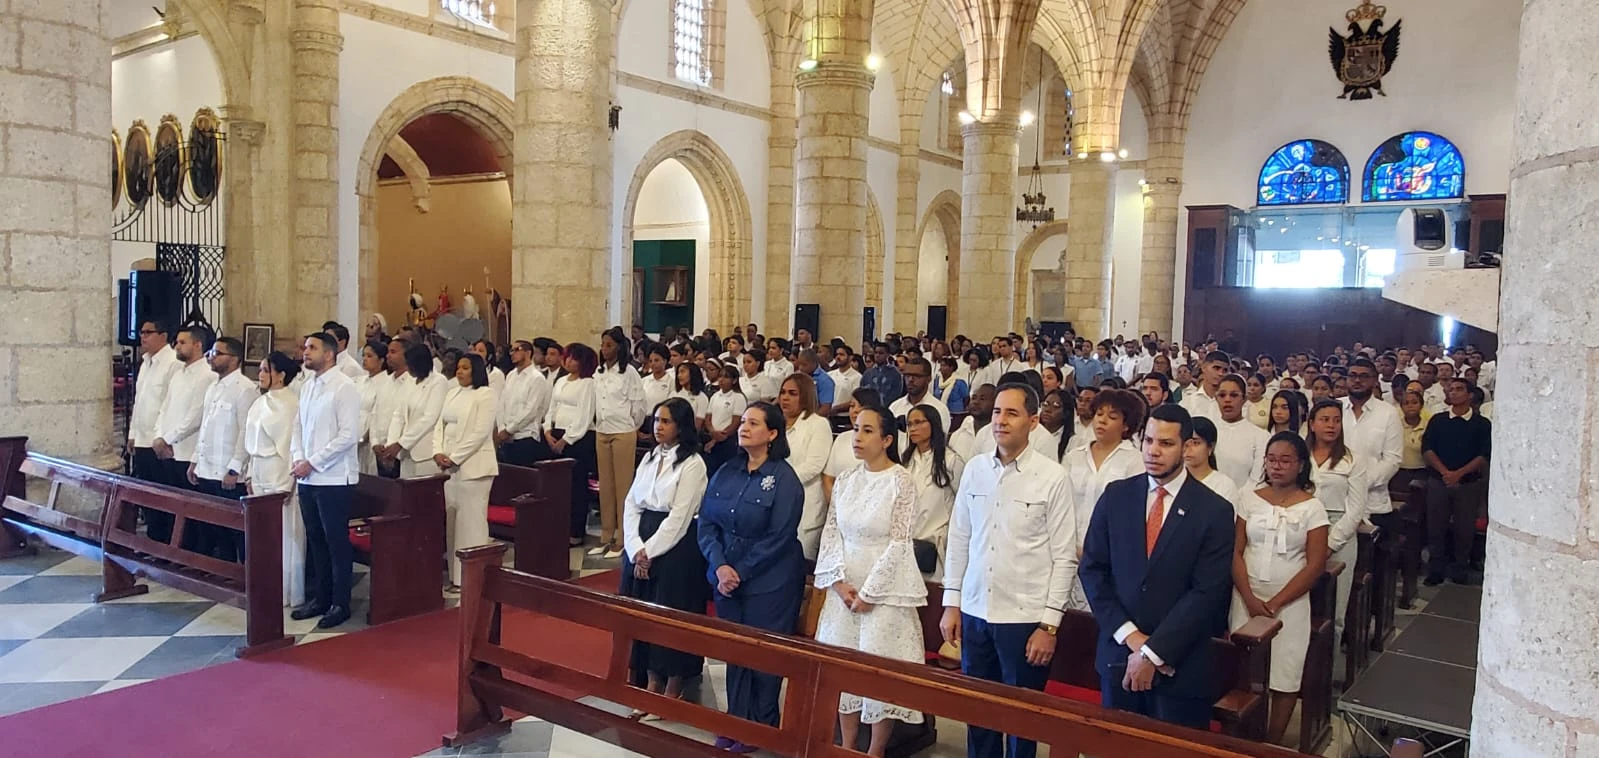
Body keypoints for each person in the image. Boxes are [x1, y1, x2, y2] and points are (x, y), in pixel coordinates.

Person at [1079, 404, 1236, 730]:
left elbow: (1207, 593)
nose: (1153, 451)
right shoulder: (1117, 496)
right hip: (1119, 656)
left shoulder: (1214, 510)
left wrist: (1153, 652)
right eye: (1148, 441)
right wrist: (1132, 638)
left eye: (1165, 443)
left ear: (1187, 446)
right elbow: (1093, 571)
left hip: (1179, 667)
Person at [940, 383, 1077, 758]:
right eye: (998, 412)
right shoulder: (976, 469)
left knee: (1021, 722)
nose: (1000, 420)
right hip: (975, 611)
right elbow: (960, 537)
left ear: (1033, 422)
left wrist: (1049, 625)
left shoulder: (1052, 477)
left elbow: (1065, 557)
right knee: (979, 716)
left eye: (1012, 413)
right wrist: (952, 602)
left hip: (1024, 618)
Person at [814, 405, 927, 756]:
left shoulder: (900, 480)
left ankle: (875, 751)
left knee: (877, 672)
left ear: (887, 439)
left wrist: (870, 592)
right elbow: (831, 531)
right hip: (845, 583)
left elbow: (899, 541)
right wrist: (837, 581)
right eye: (855, 429)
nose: (857, 437)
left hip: (883, 586)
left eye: (866, 431)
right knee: (842, 666)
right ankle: (846, 746)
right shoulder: (846, 479)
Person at [697, 402, 806, 752]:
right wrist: (719, 566)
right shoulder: (727, 470)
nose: (744, 428)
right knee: (736, 651)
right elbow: (707, 522)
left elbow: (779, 537)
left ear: (772, 434)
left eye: (753, 423)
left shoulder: (784, 479)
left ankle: (762, 726)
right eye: (742, 422)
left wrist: (739, 571)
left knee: (764, 655)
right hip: (726, 573)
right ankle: (736, 721)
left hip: (769, 579)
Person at [1230, 432, 1330, 745]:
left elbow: (1314, 565)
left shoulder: (1313, 507)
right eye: (1272, 460)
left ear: (1300, 465)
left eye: (1285, 461)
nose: (1277, 466)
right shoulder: (1249, 498)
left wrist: (1273, 604)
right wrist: (1249, 597)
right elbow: (1235, 551)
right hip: (1246, 598)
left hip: (1290, 603)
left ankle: (1270, 744)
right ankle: (1243, 739)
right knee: (1243, 671)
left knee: (1285, 674)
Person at [620, 397, 711, 708]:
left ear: (681, 426)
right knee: (640, 612)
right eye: (656, 420)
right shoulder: (649, 457)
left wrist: (651, 552)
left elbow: (681, 516)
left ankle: (672, 683)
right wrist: (635, 549)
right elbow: (631, 503)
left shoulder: (693, 463)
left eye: (666, 421)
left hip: (675, 547)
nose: (658, 427)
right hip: (641, 537)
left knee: (670, 612)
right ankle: (646, 680)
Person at [289, 333, 363, 629]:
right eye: (305, 347)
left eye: (312, 348)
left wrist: (313, 462)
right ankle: (321, 597)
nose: (305, 352)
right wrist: (297, 458)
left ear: (329, 354)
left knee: (335, 542)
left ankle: (340, 603)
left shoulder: (344, 387)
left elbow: (348, 435)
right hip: (308, 478)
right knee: (315, 539)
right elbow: (298, 426)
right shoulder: (308, 386)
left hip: (334, 477)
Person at [433, 353, 499, 590]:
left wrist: (454, 457)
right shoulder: (452, 392)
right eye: (458, 368)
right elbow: (439, 426)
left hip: (474, 467)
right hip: (449, 467)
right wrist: (438, 452)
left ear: (476, 371)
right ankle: (455, 575)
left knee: (471, 522)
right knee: (453, 522)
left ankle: (473, 576)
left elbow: (480, 433)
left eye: (465, 368)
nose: (459, 372)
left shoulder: (486, 395)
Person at [244, 352, 304, 607]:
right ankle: (266, 587)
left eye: (265, 370)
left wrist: (288, 483)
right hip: (259, 468)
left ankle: (288, 592)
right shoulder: (260, 402)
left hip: (280, 470)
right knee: (263, 533)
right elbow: (251, 441)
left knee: (285, 533)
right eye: (260, 370)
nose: (260, 375)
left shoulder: (291, 404)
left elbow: (291, 445)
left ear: (280, 375)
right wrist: (249, 473)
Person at [188, 336, 255, 560]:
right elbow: (205, 426)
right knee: (215, 527)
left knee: (237, 529)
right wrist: (195, 460)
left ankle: (243, 574)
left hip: (227, 471)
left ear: (234, 359)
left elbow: (246, 431)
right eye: (211, 352)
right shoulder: (213, 387)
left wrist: (235, 468)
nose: (211, 357)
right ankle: (225, 571)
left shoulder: (244, 389)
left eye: (218, 353)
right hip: (207, 468)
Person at [1306, 398, 1371, 629]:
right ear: (1312, 424)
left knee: (1334, 610)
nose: (1332, 425)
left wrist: (1330, 544)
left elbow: (1356, 509)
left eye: (1336, 420)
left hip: (1339, 530)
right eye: (1325, 420)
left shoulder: (1352, 459)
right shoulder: (1301, 457)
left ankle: (1328, 661)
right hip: (1302, 527)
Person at [1421, 377, 1491, 585]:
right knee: (1436, 527)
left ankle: (1460, 568)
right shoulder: (1438, 420)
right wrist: (1445, 473)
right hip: (1439, 481)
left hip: (1468, 483)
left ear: (1470, 395)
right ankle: (1436, 569)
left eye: (1459, 389)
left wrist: (1458, 474)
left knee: (1464, 529)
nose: (1453, 393)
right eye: (1450, 390)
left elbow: (1483, 455)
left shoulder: (1481, 424)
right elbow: (1427, 449)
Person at [1063, 389, 1146, 551]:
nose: (1102, 421)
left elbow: (1132, 514)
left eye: (1112, 417)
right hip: (1068, 548)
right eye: (1099, 414)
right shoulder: (1074, 457)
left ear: (1126, 426)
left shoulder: (1135, 461)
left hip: (1109, 549)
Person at [591, 327, 647, 560]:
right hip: (602, 430)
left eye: (609, 345)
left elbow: (638, 405)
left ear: (619, 347)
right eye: (603, 345)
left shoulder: (630, 372)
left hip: (623, 431)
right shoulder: (599, 371)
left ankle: (623, 537)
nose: (605, 350)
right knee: (606, 485)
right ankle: (606, 534)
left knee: (623, 486)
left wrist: (631, 425)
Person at [544, 343, 599, 547]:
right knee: (557, 486)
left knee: (576, 487)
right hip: (555, 433)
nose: (567, 361)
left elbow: (584, 416)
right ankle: (557, 527)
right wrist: (547, 430)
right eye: (566, 357)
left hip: (578, 439)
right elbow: (552, 407)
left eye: (573, 358)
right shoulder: (560, 381)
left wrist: (567, 439)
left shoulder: (588, 384)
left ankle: (576, 531)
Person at [778, 373, 834, 562]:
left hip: (806, 505)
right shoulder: (776, 424)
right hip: (776, 504)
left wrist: (778, 479)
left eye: (792, 393)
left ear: (805, 396)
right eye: (783, 392)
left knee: (799, 565)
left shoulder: (818, 424)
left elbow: (814, 465)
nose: (785, 398)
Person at [903, 404, 963, 578]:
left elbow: (964, 503)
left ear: (933, 424)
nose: (913, 428)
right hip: (909, 543)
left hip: (937, 544)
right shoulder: (906, 461)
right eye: (909, 424)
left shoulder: (950, 461)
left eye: (918, 422)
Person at [129, 319, 181, 493]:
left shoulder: (174, 362)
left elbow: (170, 405)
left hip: (158, 441)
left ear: (163, 336)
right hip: (142, 439)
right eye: (141, 333)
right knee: (146, 494)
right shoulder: (145, 362)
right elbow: (139, 400)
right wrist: (132, 433)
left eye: (148, 333)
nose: (143, 337)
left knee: (162, 493)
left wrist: (163, 438)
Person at [384, 343, 449, 478]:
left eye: (411, 365)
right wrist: (391, 444)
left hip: (425, 453)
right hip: (405, 455)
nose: (408, 369)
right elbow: (399, 414)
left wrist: (401, 443)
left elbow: (429, 418)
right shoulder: (410, 380)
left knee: (424, 496)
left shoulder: (438, 382)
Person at [495, 340, 552, 467]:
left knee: (524, 480)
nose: (512, 353)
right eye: (511, 350)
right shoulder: (511, 375)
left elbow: (530, 411)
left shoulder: (537, 378)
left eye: (517, 349)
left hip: (526, 437)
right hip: (507, 438)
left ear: (528, 352)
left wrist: (509, 429)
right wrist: (501, 428)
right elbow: (502, 403)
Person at [823, 387, 880, 505]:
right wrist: (836, 506)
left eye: (861, 406)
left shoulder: (880, 441)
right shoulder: (841, 439)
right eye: (852, 406)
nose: (855, 411)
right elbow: (828, 478)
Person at [1212, 374, 1268, 488]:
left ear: (1244, 399)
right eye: (1222, 395)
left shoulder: (1261, 436)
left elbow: (1257, 480)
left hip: (1245, 501)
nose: (1227, 400)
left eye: (1234, 395)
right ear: (1216, 398)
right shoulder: (1208, 433)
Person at [1184, 417, 1239, 508]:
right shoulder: (1174, 480)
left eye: (1196, 443)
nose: (1189, 448)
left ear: (1211, 447)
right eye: (1185, 442)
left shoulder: (1225, 485)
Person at [948, 383, 995, 462]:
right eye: (973, 398)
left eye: (982, 399)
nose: (976, 402)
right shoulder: (962, 430)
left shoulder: (998, 435)